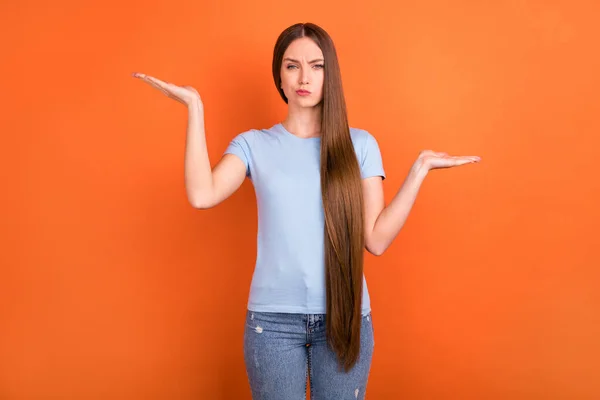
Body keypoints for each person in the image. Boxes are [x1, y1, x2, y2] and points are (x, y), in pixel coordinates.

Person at [133, 21, 480, 400]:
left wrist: (419, 170)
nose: (304, 76)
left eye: (317, 66)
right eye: (292, 65)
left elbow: (376, 240)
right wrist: (194, 107)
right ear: (279, 77)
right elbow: (202, 194)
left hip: (345, 319)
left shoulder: (359, 145)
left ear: (330, 74)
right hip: (272, 325)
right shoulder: (254, 145)